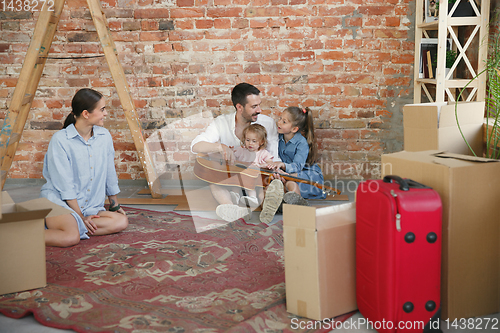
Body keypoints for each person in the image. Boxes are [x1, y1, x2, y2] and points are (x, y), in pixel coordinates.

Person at [41, 88, 128, 247]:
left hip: (90, 207)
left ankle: (77, 226)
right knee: (70, 237)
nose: (105, 114)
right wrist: (80, 217)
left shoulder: (104, 136)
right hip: (60, 203)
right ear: (86, 114)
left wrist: (114, 204)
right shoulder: (60, 140)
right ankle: (16, 234)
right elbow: (64, 185)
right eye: (102, 110)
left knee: (121, 221)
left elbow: (109, 171)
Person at [191, 83, 280, 222]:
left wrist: (274, 168)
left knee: (268, 186)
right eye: (254, 106)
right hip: (232, 181)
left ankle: (263, 209)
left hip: (256, 178)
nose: (259, 110)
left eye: (259, 105)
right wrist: (221, 147)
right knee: (213, 179)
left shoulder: (268, 123)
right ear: (239, 107)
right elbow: (196, 145)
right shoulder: (221, 122)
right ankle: (232, 209)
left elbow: (274, 156)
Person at [261, 106, 326, 223]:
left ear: (295, 129)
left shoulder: (302, 143)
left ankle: (298, 211)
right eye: (280, 118)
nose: (279, 122)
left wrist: (282, 166)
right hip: (286, 172)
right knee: (273, 183)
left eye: (284, 121)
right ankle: (278, 205)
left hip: (305, 173)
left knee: (290, 181)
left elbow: (297, 166)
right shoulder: (278, 137)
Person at [231, 123, 274, 208]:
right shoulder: (241, 150)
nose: (250, 143)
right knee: (235, 181)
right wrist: (230, 151)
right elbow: (232, 156)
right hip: (240, 179)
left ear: (261, 142)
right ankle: (235, 196)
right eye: (247, 140)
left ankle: (252, 198)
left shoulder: (262, 153)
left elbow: (270, 163)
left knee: (251, 182)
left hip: (255, 180)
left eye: (254, 141)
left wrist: (261, 165)